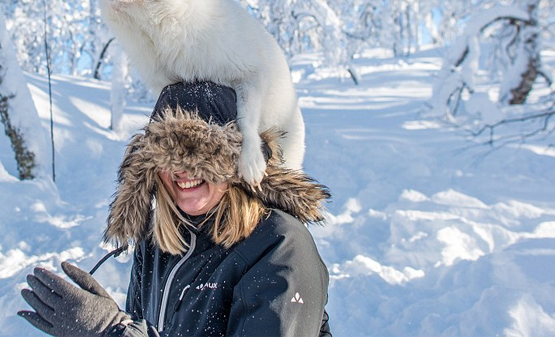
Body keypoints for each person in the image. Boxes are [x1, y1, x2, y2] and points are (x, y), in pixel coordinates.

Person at [18, 82, 331, 337]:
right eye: (168, 158)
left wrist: (112, 332)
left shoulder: (279, 246)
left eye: (202, 158)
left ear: (236, 166)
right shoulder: (157, 243)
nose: (184, 171)